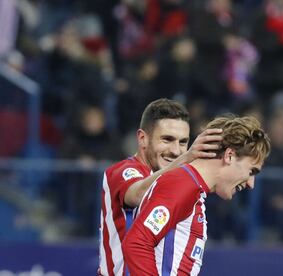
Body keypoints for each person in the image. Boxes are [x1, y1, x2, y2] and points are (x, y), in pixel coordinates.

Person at [122, 115, 271, 275]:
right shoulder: (182, 184)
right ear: (229, 156)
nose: (251, 183)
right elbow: (137, 243)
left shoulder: (191, 187)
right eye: (251, 171)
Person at [99, 98, 222, 276]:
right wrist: (186, 159)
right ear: (142, 139)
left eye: (182, 142)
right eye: (167, 139)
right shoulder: (121, 171)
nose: (176, 151)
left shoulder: (178, 183)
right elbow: (138, 194)